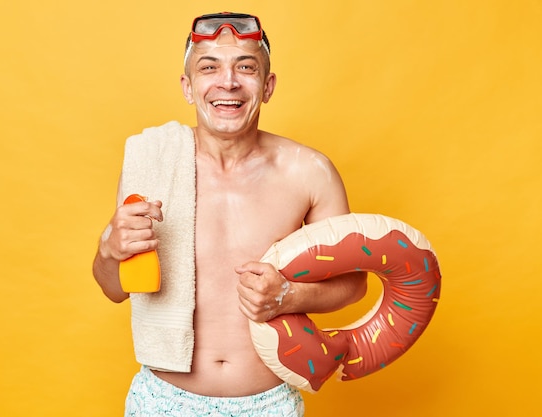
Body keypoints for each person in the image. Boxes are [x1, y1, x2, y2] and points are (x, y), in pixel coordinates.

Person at [92, 12, 367, 417]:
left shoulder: (310, 173)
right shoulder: (150, 162)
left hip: (269, 402)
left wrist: (289, 296)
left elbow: (354, 284)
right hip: (163, 400)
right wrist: (108, 250)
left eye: (246, 67)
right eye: (209, 67)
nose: (228, 82)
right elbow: (113, 289)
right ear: (188, 87)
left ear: (267, 86)